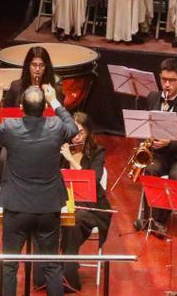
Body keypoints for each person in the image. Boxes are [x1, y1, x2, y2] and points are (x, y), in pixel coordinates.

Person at [0, 84, 78, 296]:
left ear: (21, 106)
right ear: (45, 107)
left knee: (9, 264)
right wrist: (55, 101)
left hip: (17, 207)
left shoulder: (10, 127)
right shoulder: (57, 127)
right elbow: (73, 127)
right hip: (48, 207)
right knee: (51, 265)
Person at [134, 58, 177, 231]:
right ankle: (147, 219)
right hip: (159, 153)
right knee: (150, 170)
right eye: (163, 80)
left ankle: (159, 221)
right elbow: (143, 126)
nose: (166, 85)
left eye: (171, 80)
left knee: (176, 176)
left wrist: (169, 142)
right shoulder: (152, 97)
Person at [55, 111, 111, 292]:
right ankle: (51, 270)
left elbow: (93, 181)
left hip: (92, 205)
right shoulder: (60, 149)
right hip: (64, 202)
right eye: (74, 132)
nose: (77, 137)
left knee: (73, 221)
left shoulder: (97, 152)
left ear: (89, 133)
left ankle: (68, 278)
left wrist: (70, 160)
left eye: (81, 132)